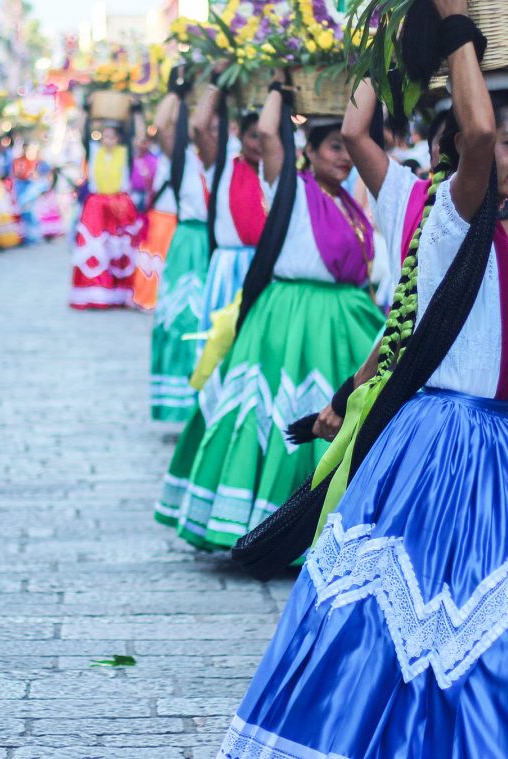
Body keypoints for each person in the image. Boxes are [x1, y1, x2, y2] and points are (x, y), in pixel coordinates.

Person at [220, 4, 508, 755]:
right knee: (432, 614)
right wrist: (460, 28)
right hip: (443, 445)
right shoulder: (448, 213)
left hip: (504, 441)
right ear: (462, 152)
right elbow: (463, 134)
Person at [155, 79, 384, 549]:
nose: (343, 157)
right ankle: (274, 525)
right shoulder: (291, 190)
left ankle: (334, 525)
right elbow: (269, 134)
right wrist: (280, 82)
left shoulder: (349, 202)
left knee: (349, 415)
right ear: (311, 153)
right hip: (291, 317)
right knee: (284, 414)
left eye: (348, 148)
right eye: (334, 148)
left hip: (345, 319)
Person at [150, 90, 214, 421]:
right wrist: (179, 88)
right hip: (188, 242)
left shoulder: (228, 156)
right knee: (180, 320)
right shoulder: (182, 158)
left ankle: (206, 403)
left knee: (212, 322)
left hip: (217, 245)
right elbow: (161, 124)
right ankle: (180, 406)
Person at [190, 82, 266, 332]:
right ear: (241, 136)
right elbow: (200, 127)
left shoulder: (280, 175)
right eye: (254, 136)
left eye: (266, 137)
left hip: (266, 266)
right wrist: (216, 83)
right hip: (229, 268)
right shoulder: (222, 166)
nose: (260, 144)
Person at [69, 123, 140, 309]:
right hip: (97, 208)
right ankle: (96, 293)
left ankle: (119, 293)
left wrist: (136, 113)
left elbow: (134, 137)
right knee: (96, 249)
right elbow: (85, 136)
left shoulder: (125, 154)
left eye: (112, 137)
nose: (108, 141)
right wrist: (87, 111)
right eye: (104, 137)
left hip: (119, 207)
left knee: (119, 250)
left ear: (118, 139)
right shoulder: (94, 153)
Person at [131, 95, 181, 312]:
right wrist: (138, 112)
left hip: (177, 220)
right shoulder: (166, 156)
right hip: (159, 217)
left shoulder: (196, 158)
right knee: (151, 261)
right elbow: (154, 130)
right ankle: (147, 297)